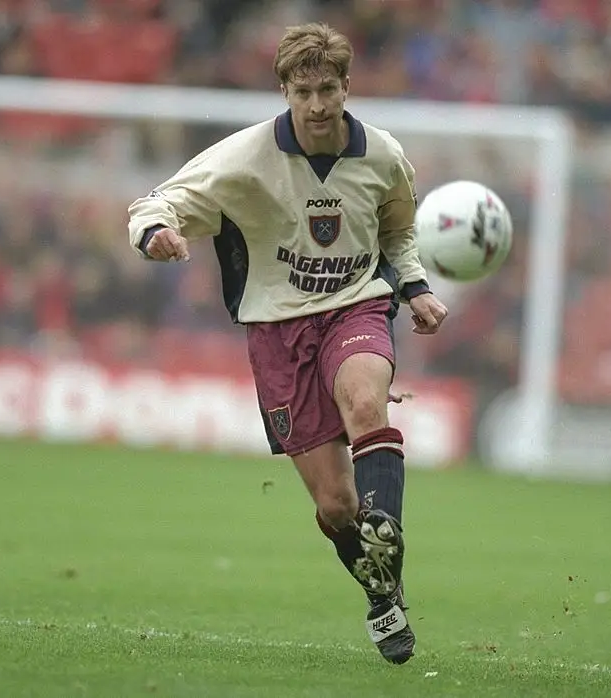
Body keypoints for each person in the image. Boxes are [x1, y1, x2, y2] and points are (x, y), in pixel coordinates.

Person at [126, 23, 449, 664]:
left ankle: (387, 528)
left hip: (356, 306)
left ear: (347, 86)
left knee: (365, 401)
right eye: (304, 91)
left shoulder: (382, 155)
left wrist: (414, 288)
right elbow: (159, 200)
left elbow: (398, 231)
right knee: (334, 507)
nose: (318, 104)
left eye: (329, 88)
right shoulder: (244, 158)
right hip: (277, 331)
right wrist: (155, 231)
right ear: (284, 91)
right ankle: (384, 592)